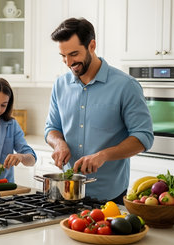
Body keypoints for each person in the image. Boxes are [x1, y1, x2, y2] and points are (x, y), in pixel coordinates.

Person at [45, 17, 154, 204]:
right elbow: (51, 129)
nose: (68, 62)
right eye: (63, 56)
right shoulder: (60, 85)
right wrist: (58, 143)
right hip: (68, 192)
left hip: (110, 195)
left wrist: (103, 155)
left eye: (73, 54)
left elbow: (143, 137)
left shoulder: (125, 86)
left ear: (92, 46)